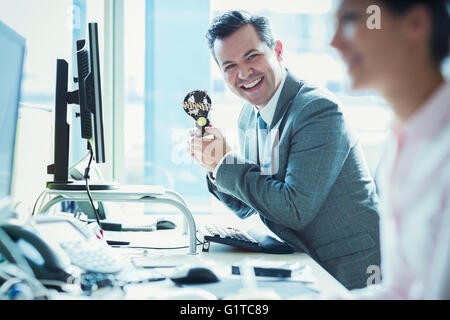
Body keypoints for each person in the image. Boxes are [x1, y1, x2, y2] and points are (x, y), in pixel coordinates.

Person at [188, 10, 381, 290]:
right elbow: (250, 204)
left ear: (277, 51)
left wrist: (225, 162)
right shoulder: (247, 116)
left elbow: (294, 209)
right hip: (303, 262)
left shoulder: (317, 110)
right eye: (229, 66)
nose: (243, 73)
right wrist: (214, 166)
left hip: (353, 270)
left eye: (252, 56)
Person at [330, 0, 450, 299]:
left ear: (415, 23)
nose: (334, 42)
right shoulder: (402, 141)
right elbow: (401, 289)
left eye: (350, 19)